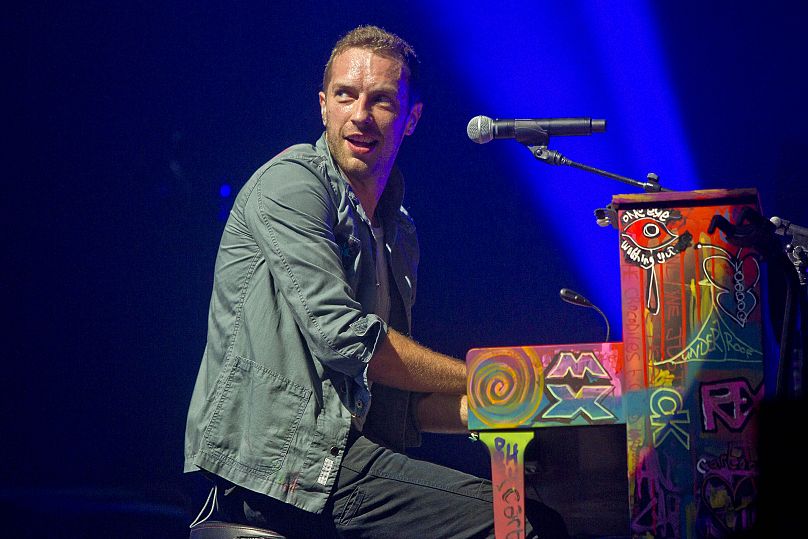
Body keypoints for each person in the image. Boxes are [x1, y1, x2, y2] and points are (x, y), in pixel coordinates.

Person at [184, 24, 569, 539]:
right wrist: (491, 376)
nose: (360, 114)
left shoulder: (398, 230)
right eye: (346, 95)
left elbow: (396, 399)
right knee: (521, 526)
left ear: (411, 119)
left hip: (342, 467)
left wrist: (528, 404)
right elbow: (346, 339)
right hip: (280, 471)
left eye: (382, 100)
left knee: (532, 513)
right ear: (323, 105)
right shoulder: (291, 183)